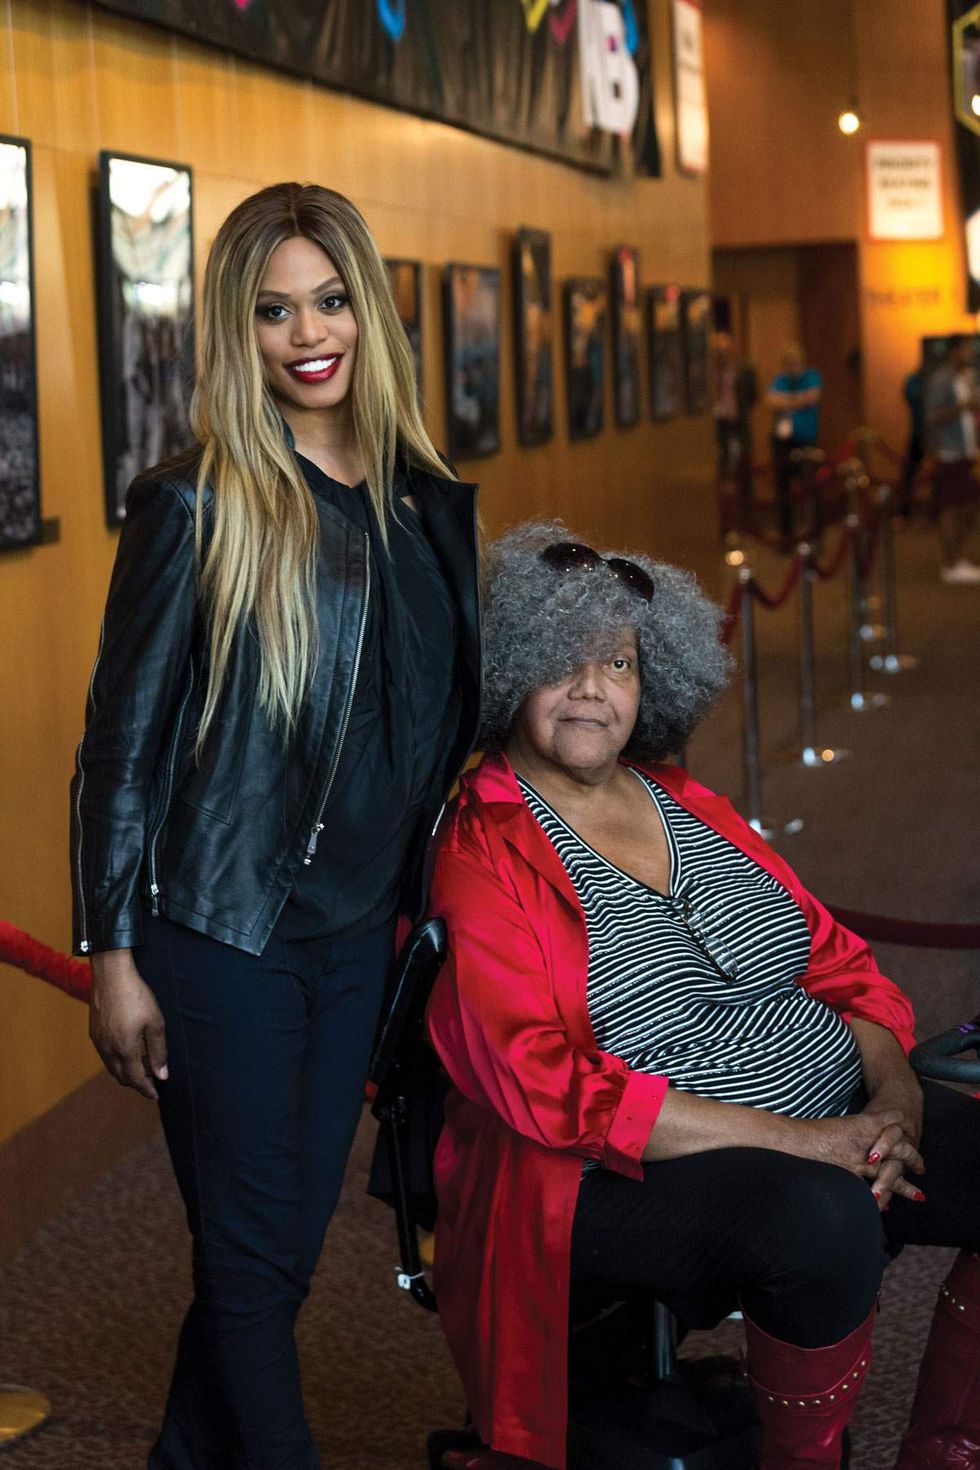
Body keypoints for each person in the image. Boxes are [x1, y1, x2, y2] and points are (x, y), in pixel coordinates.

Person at [70, 182, 481, 1469]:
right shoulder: (197, 505)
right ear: (233, 333)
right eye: (269, 309)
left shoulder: (422, 501)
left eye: (329, 297)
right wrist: (113, 954)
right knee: (250, 1269)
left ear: (368, 308)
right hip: (222, 935)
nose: (307, 332)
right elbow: (118, 746)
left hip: (359, 939)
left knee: (282, 1251)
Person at [424, 521, 980, 1470]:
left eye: (618, 662)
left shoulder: (687, 803)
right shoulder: (484, 844)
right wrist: (814, 1145)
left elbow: (842, 966)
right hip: (608, 1173)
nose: (594, 687)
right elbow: (544, 1081)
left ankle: (947, 1448)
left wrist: (894, 1098)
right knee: (822, 1219)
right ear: (512, 674)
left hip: (840, 1114)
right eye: (562, 663)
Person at [924, 335, 980, 584]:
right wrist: (963, 406)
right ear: (954, 351)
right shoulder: (941, 379)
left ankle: (956, 558)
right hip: (950, 452)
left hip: (968, 450)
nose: (971, 354)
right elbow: (933, 416)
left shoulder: (968, 377)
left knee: (968, 508)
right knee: (952, 506)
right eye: (966, 349)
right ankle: (951, 562)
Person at [766, 343, 822, 548]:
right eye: (788, 363)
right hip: (783, 443)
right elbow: (772, 402)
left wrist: (787, 401)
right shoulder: (779, 380)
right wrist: (799, 400)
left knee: (811, 488)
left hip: (806, 441)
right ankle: (786, 536)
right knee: (783, 490)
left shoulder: (812, 377)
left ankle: (813, 535)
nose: (792, 367)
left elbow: (813, 396)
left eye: (795, 362)